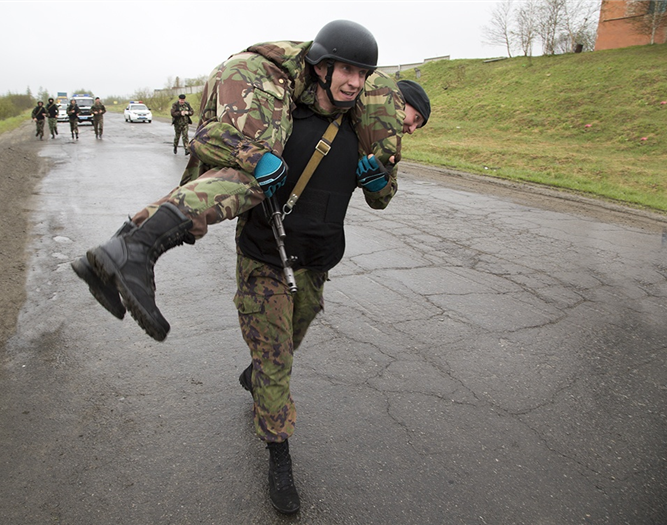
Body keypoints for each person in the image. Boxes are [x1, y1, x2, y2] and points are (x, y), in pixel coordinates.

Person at [72, 19, 429, 514]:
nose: (354, 80)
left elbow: (384, 198)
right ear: (322, 68)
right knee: (276, 362)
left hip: (316, 265)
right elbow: (215, 147)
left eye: (363, 73)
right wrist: (255, 156)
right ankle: (279, 455)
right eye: (346, 68)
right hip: (265, 258)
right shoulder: (283, 122)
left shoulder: (364, 138)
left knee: (289, 341)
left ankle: (251, 366)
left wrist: (376, 181)